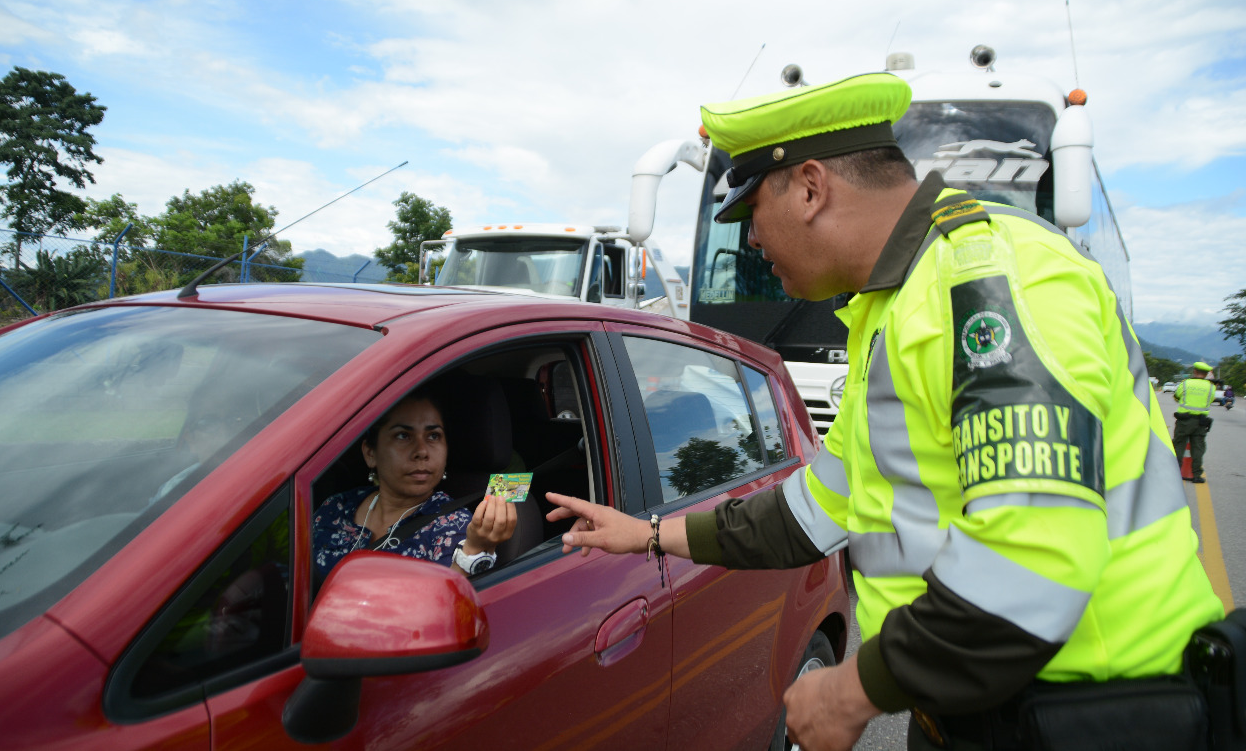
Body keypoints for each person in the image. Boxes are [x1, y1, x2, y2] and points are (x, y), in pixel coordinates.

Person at [546, 73, 1223, 751]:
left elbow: (1031, 566)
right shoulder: (889, 310)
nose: (751, 242)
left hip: (1095, 716)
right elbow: (808, 514)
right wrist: (650, 535)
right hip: (987, 711)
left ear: (810, 188)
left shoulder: (991, 284)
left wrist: (850, 690)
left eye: (750, 214)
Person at [313, 388, 516, 582]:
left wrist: (474, 551)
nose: (422, 451)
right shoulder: (336, 508)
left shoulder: (453, 527)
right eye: (403, 435)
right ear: (370, 453)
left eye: (433, 436)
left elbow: (445, 604)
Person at [1172, 362, 1217, 483]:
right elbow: (1211, 400)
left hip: (1184, 420)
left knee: (1178, 445)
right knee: (1198, 448)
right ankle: (1196, 475)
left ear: (1195, 371)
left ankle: (1174, 473)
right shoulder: (1211, 387)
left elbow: (1176, 396)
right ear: (1207, 374)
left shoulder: (1186, 383)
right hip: (1201, 422)